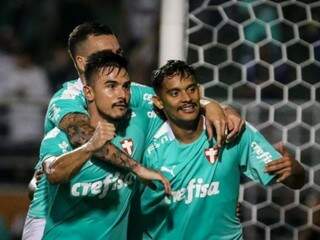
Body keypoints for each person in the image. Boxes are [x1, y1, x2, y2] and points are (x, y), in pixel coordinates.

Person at [23, 22, 244, 239]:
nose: (116, 58)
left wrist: (216, 107)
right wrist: (137, 168)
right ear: (82, 62)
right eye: (106, 53)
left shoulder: (129, 92)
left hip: (109, 213)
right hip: (51, 217)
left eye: (118, 51)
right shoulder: (66, 99)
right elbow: (84, 136)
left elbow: (174, 101)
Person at [134, 60, 306, 240]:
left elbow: (295, 181)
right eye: (175, 93)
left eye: (191, 89)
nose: (186, 98)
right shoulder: (147, 146)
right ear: (159, 102)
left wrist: (294, 169)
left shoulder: (233, 132)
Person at [41, 51, 171, 239]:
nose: (122, 94)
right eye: (111, 86)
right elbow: (54, 173)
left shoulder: (139, 123)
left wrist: (216, 108)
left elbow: (181, 106)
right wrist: (90, 146)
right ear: (89, 92)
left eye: (126, 87)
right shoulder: (59, 136)